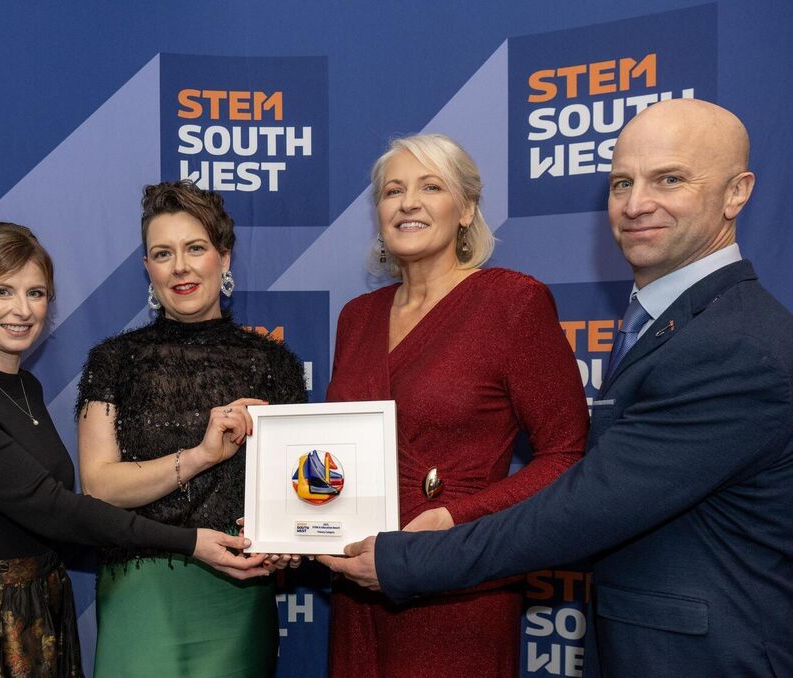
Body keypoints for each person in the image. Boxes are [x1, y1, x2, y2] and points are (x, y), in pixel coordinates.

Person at [322, 99, 793, 677]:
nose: (636, 204)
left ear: (736, 192)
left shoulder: (732, 343)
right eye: (622, 184)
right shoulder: (662, 320)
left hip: (462, 582)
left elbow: (583, 489)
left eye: (669, 179)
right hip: (368, 570)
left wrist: (433, 537)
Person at [0, 222, 267, 677]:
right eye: (2, 291)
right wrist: (189, 541)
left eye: (36, 293)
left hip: (38, 609)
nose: (22, 309)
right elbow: (53, 508)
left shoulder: (24, 386)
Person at [323, 133, 588, 677]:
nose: (408, 203)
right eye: (393, 191)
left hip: (457, 577)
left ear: (466, 209)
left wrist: (454, 518)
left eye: (430, 187)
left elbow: (566, 456)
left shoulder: (512, 302)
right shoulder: (357, 316)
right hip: (358, 581)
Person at [76, 180, 308, 677]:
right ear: (148, 267)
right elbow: (99, 486)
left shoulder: (274, 365)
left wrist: (289, 540)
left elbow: (297, 495)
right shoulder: (112, 361)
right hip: (140, 592)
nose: (180, 266)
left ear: (224, 257)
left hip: (238, 590)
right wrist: (202, 455)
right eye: (163, 253)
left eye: (195, 248)